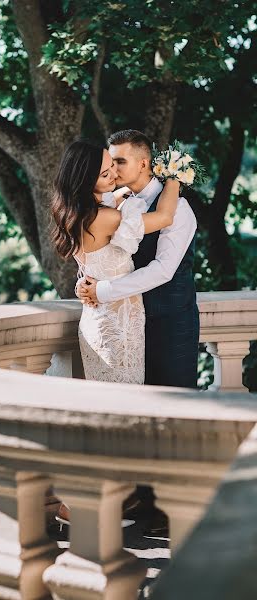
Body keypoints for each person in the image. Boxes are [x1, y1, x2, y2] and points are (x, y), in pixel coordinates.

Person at [76, 129, 199, 535]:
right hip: (130, 325)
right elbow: (97, 246)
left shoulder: (177, 209)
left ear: (145, 163)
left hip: (171, 322)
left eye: (120, 162)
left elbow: (162, 270)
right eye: (108, 162)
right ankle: (145, 502)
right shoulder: (115, 204)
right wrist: (86, 279)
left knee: (173, 414)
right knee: (140, 415)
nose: (111, 168)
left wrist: (103, 291)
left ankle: (176, 508)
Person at [51, 139, 180, 384]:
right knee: (126, 397)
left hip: (96, 316)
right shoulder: (106, 218)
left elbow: (118, 196)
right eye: (104, 173)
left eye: (113, 165)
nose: (114, 175)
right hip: (117, 324)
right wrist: (175, 176)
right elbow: (164, 217)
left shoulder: (75, 212)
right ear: (86, 179)